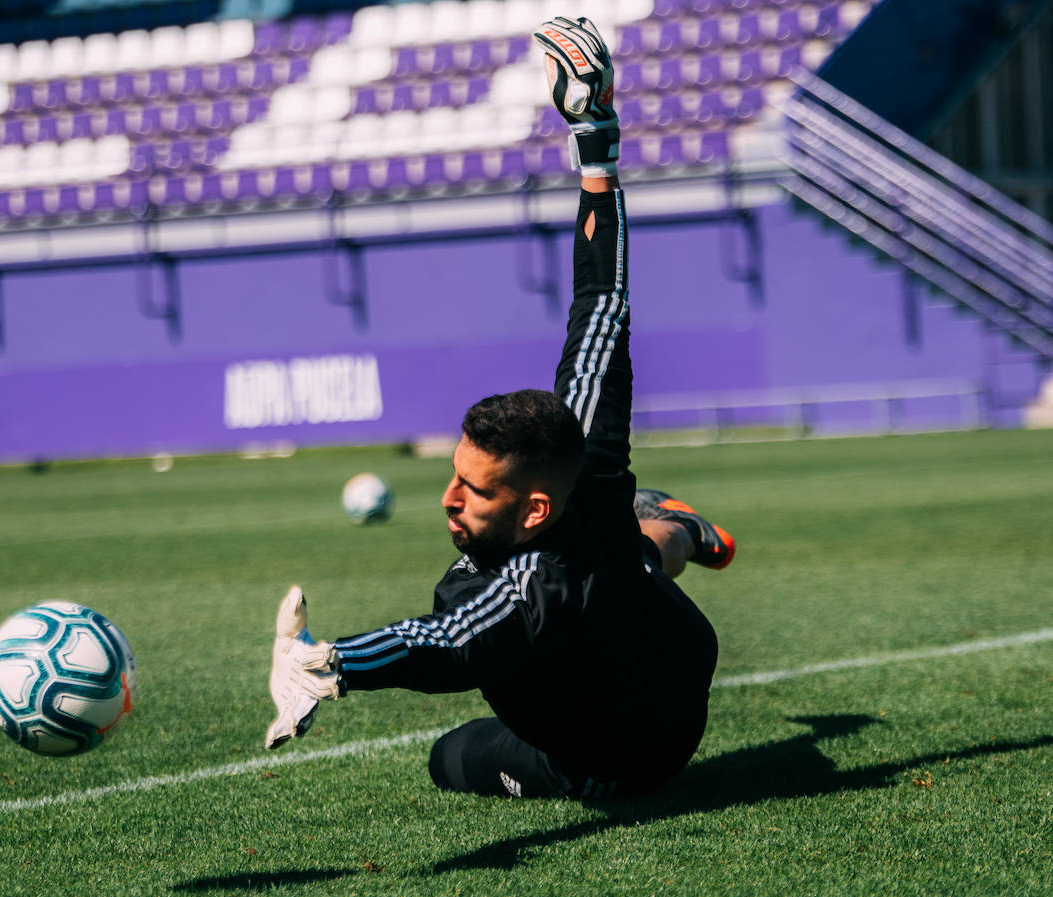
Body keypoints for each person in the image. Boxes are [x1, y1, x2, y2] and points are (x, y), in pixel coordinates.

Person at [264, 16, 736, 800]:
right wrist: (595, 140)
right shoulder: (580, 445)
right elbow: (603, 300)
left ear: (535, 507)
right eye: (457, 475)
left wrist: (331, 665)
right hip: (669, 639)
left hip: (622, 758)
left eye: (478, 491)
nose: (449, 497)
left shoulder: (530, 589)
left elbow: (443, 642)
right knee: (624, 550)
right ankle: (673, 527)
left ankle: (657, 535)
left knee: (448, 759)